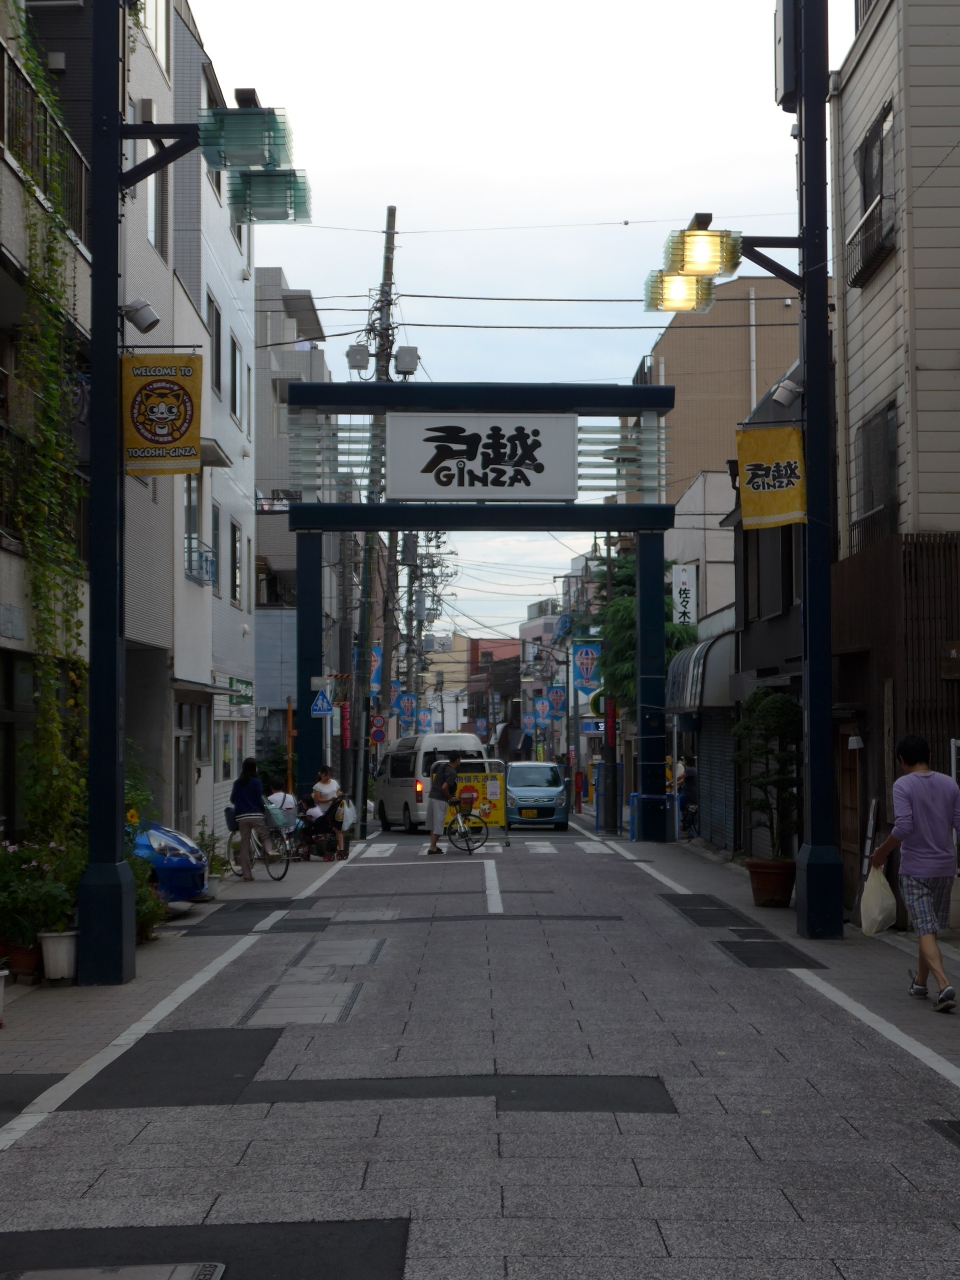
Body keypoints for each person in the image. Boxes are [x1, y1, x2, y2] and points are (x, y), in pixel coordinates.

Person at [871, 734, 960, 1013]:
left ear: (901, 761)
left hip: (915, 870)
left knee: (924, 927)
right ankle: (920, 983)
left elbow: (904, 827)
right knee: (927, 928)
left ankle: (944, 986)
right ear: (929, 756)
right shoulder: (950, 783)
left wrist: (882, 852)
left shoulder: (903, 784)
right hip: (945, 867)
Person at [230, 757, 266, 881]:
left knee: (244, 845)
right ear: (255, 768)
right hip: (256, 815)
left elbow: (233, 799)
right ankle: (270, 852)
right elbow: (258, 799)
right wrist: (262, 809)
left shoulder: (237, 783)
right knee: (265, 836)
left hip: (242, 817)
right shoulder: (257, 782)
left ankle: (247, 875)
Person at [428, 750, 461, 854]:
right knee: (438, 825)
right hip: (440, 799)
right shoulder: (452, 773)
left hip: (432, 796)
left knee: (433, 824)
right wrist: (449, 798)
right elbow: (444, 787)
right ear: (457, 760)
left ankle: (433, 846)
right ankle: (432, 847)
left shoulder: (442, 767)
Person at [312, 766, 345, 858]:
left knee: (338, 829)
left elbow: (337, 792)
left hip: (335, 809)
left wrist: (339, 795)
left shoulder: (334, 782)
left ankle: (341, 849)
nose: (327, 777)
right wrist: (329, 800)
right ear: (320, 774)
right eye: (325, 775)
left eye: (329, 775)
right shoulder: (317, 786)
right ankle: (326, 849)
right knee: (326, 830)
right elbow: (318, 799)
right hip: (324, 810)